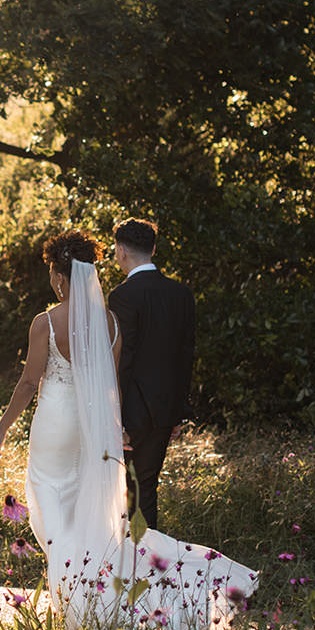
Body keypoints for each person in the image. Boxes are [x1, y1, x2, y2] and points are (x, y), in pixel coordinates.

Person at [0, 228, 255, 630]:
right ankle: (86, 598)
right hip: (92, 433)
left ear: (59, 277)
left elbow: (26, 384)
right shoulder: (110, 324)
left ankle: (76, 608)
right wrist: (116, 430)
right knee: (86, 517)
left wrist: (0, 432)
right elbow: (111, 386)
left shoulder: (45, 322)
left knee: (52, 514)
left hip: (55, 429)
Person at [106, 218, 193, 532]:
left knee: (129, 490)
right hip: (165, 410)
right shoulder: (181, 294)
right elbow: (185, 356)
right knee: (147, 487)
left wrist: (117, 417)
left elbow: (123, 360)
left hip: (132, 411)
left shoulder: (123, 296)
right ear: (153, 248)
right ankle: (147, 563)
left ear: (121, 250)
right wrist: (179, 414)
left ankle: (132, 565)